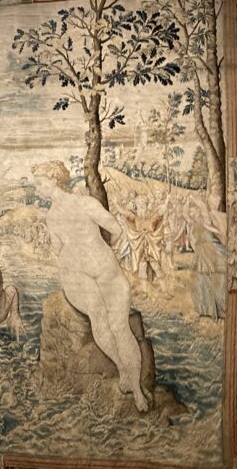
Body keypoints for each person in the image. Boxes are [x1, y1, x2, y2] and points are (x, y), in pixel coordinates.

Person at [31, 161, 151, 411]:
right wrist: (96, 253)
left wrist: (95, 254)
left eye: (40, 183)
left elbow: (62, 248)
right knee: (104, 322)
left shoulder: (73, 209)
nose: (37, 189)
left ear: (53, 180)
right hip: (81, 274)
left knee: (118, 326)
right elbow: (114, 231)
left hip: (99, 270)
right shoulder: (71, 209)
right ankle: (127, 375)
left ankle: (135, 384)